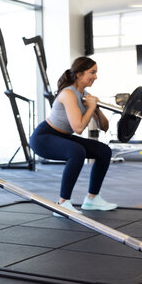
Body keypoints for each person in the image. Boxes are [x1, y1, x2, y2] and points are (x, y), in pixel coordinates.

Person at [29, 56, 117, 217]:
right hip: (44, 138)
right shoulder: (68, 94)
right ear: (79, 74)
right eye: (92, 72)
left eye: (96, 72)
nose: (96, 77)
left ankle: (92, 199)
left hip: (63, 137)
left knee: (104, 151)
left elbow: (104, 127)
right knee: (76, 151)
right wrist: (91, 107)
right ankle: (62, 203)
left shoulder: (85, 94)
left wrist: (96, 108)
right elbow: (78, 128)